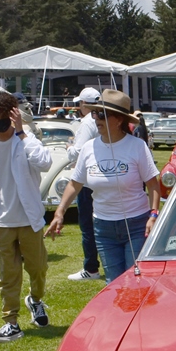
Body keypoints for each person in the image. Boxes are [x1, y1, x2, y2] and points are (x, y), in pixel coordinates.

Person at [47, 90, 161, 283]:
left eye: (102, 114)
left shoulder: (137, 146)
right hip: (103, 227)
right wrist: (59, 211)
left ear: (118, 119)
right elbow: (75, 183)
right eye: (94, 113)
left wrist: (153, 214)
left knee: (136, 280)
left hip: (136, 224)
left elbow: (153, 184)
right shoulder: (88, 148)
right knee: (113, 284)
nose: (96, 118)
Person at [0, 90, 53, 343]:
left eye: (3, 116)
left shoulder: (25, 141)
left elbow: (45, 163)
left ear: (12, 115)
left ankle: (36, 300)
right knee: (8, 275)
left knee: (37, 269)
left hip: (28, 219)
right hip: (1, 221)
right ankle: (11, 322)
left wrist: (22, 133)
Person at [66, 87, 103, 281]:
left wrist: (69, 148)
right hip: (104, 177)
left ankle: (91, 267)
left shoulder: (88, 122)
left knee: (88, 225)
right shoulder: (104, 119)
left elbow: (78, 151)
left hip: (88, 180)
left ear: (84, 104)